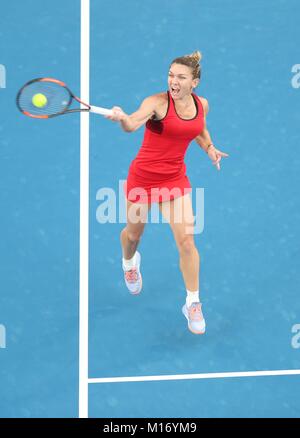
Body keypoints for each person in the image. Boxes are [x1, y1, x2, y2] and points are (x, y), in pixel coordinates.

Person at [106, 51, 229, 334]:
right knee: (134, 236)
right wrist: (122, 118)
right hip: (143, 178)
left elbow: (198, 129)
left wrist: (209, 148)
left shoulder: (202, 105)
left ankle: (193, 303)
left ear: (194, 82)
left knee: (186, 240)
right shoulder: (157, 103)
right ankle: (129, 262)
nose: (173, 81)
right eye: (171, 75)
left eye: (181, 77)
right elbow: (133, 123)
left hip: (174, 180)